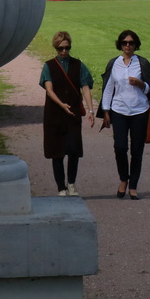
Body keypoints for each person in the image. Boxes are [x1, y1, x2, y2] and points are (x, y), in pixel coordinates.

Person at [98, 29, 150, 200]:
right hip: (119, 111)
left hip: (140, 110)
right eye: (124, 43)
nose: (128, 46)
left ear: (136, 45)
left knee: (137, 150)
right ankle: (124, 178)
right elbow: (108, 88)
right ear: (120, 45)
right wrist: (106, 111)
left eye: (131, 43)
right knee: (120, 147)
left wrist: (140, 84)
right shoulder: (114, 63)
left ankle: (133, 185)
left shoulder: (142, 63)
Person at [41, 31, 95, 196]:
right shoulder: (49, 66)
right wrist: (61, 104)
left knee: (73, 150)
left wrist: (91, 110)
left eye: (67, 47)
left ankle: (71, 183)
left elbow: (85, 87)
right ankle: (60, 187)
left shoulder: (78, 65)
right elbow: (49, 89)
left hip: (72, 114)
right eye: (60, 48)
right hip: (54, 114)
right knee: (57, 151)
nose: (64, 51)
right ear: (56, 48)